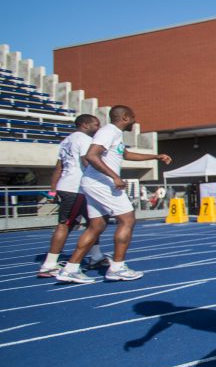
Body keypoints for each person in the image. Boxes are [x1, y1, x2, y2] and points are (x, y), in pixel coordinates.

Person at [54, 106, 172, 284]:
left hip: (94, 183)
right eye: (133, 117)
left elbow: (125, 154)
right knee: (127, 219)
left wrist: (156, 156)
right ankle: (117, 268)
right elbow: (92, 156)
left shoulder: (114, 134)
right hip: (101, 184)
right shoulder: (109, 131)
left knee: (96, 226)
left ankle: (70, 269)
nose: (135, 121)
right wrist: (115, 177)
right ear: (125, 117)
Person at [37, 114, 108, 277]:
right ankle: (49, 265)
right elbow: (87, 162)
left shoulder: (65, 142)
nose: (98, 128)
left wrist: (53, 189)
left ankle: (96, 256)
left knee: (95, 223)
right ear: (84, 125)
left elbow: (58, 168)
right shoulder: (83, 139)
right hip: (75, 189)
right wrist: (108, 177)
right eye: (96, 125)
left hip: (71, 187)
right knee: (65, 225)